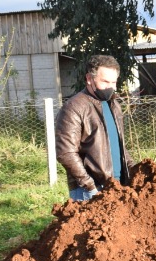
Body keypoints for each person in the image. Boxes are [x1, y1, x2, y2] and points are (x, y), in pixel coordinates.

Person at [56, 54, 135, 201]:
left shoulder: (114, 105)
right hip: (91, 190)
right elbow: (65, 153)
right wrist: (89, 185)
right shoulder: (74, 107)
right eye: (105, 82)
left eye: (114, 82)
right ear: (89, 79)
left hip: (119, 185)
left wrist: (133, 169)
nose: (110, 87)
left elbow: (119, 145)